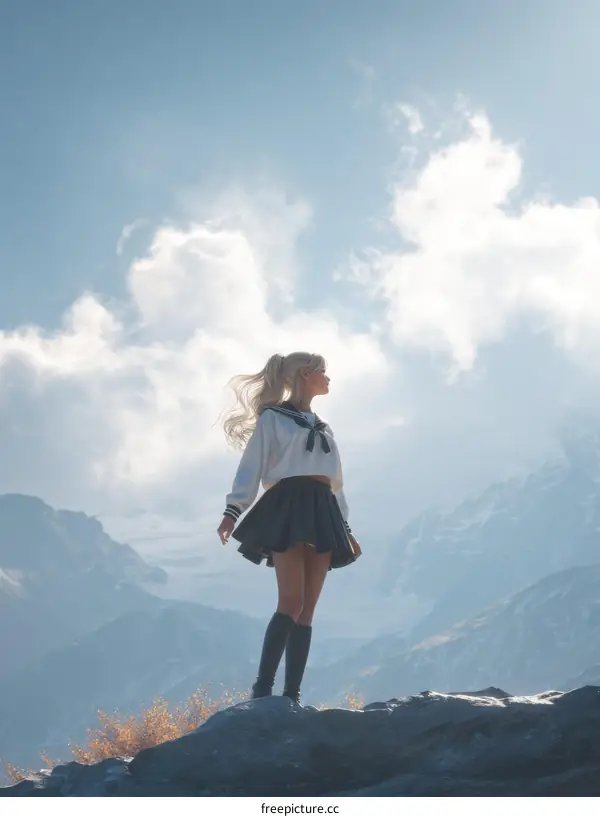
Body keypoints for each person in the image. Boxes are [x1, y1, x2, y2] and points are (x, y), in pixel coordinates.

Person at [217, 351, 361, 705]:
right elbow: (251, 465)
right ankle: (263, 690)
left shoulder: (324, 426)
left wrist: (346, 528)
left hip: (323, 509)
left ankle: (292, 695)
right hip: (289, 507)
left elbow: (335, 483)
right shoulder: (274, 418)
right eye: (324, 371)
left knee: (307, 609)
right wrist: (233, 510)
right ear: (307, 374)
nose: (329, 378)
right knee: (291, 602)